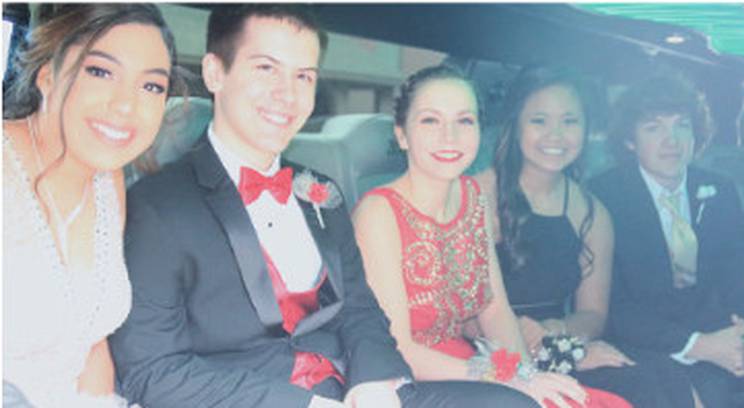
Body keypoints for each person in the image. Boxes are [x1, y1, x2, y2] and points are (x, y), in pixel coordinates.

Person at [108, 6, 539, 408]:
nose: (287, 95)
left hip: (354, 387)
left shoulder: (321, 193)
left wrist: (376, 380)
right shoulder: (158, 206)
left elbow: (359, 310)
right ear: (215, 72)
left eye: (304, 77)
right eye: (266, 69)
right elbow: (153, 370)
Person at [353, 64, 633, 408]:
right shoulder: (378, 212)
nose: (450, 137)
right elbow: (397, 348)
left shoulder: (472, 197)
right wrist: (504, 378)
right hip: (408, 379)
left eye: (464, 121)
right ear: (401, 134)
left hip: (471, 365)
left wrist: (529, 377)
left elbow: (494, 308)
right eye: (430, 121)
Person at [476, 65, 697, 407]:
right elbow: (459, 317)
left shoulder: (591, 212)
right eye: (539, 121)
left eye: (570, 121)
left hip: (556, 345)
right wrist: (555, 351)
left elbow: (593, 316)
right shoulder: (475, 196)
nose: (556, 136)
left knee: (663, 381)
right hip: (484, 353)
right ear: (515, 125)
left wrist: (558, 336)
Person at [2, 4, 180, 407]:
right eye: (100, 72)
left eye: (151, 86)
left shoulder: (108, 180)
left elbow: (92, 345)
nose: (125, 106)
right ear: (47, 75)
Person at [589, 73, 744, 408]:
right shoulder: (603, 197)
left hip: (718, 331)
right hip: (643, 343)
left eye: (682, 125)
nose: (672, 141)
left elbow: (739, 273)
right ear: (630, 140)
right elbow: (613, 307)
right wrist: (698, 345)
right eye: (654, 128)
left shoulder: (719, 189)